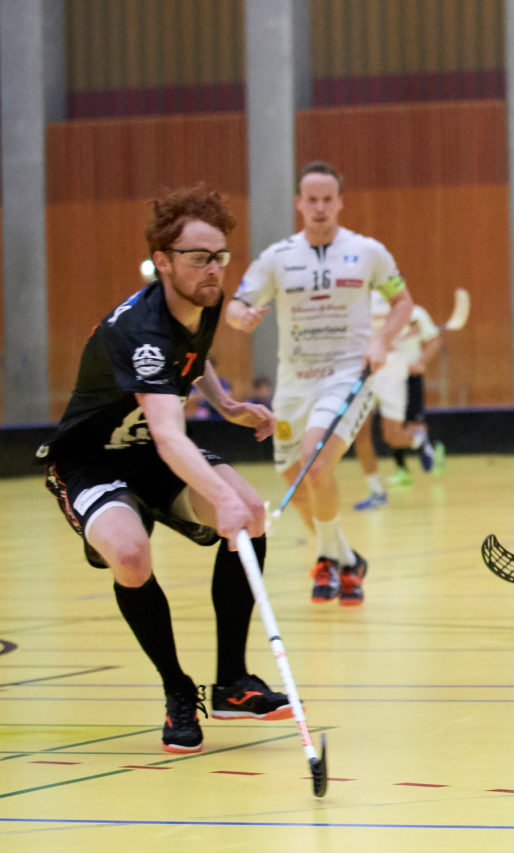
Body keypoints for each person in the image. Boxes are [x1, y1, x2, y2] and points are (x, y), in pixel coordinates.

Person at [37, 186, 290, 754]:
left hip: (152, 450)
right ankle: (178, 690)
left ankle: (231, 684)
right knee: (130, 555)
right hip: (92, 459)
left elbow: (192, 362)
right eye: (198, 257)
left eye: (220, 255)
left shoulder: (205, 298)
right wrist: (214, 494)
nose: (213, 269)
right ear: (163, 260)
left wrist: (226, 404)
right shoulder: (138, 331)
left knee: (250, 512)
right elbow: (171, 432)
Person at [227, 161, 414, 606]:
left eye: (327, 199)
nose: (319, 207)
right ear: (299, 204)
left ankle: (331, 561)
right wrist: (243, 318)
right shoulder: (277, 257)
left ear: (340, 202)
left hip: (347, 376)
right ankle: (343, 561)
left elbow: (403, 301)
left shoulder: (368, 251)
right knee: (293, 474)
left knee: (314, 463)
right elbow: (237, 304)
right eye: (311, 199)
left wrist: (383, 340)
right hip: (293, 386)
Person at [353, 296, 445, 510]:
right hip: (362, 372)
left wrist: (420, 360)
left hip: (393, 372)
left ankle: (419, 442)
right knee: (360, 434)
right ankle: (376, 491)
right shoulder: (358, 295)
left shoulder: (408, 309)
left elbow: (431, 339)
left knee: (392, 436)